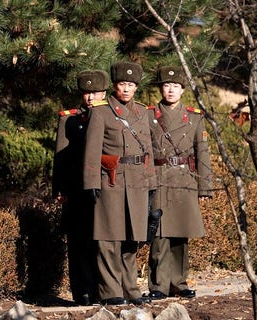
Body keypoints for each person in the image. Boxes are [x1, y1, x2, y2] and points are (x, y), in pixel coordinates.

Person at [83, 61, 156, 306]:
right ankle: (109, 291)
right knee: (108, 239)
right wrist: (91, 181)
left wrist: (152, 183)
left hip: (136, 181)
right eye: (122, 84)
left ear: (136, 87)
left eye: (131, 85)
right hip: (110, 181)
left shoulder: (142, 112)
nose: (126, 89)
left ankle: (131, 288)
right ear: (115, 85)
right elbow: (91, 150)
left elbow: (149, 152)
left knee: (132, 240)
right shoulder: (101, 111)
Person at [145, 66, 212, 300]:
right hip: (159, 178)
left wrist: (205, 187)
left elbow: (202, 153)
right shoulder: (148, 115)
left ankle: (179, 283)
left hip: (185, 180)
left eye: (175, 86)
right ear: (161, 88)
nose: (170, 90)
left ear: (182, 90)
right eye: (166, 85)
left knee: (181, 235)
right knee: (159, 234)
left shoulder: (194, 118)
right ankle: (158, 285)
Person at [52, 69, 109, 306]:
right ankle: (82, 291)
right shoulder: (70, 118)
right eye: (86, 93)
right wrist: (59, 189)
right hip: (76, 191)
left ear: (104, 92)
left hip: (104, 189)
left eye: (95, 92)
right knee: (78, 242)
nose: (90, 97)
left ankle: (102, 290)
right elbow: (60, 158)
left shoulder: (112, 115)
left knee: (102, 242)